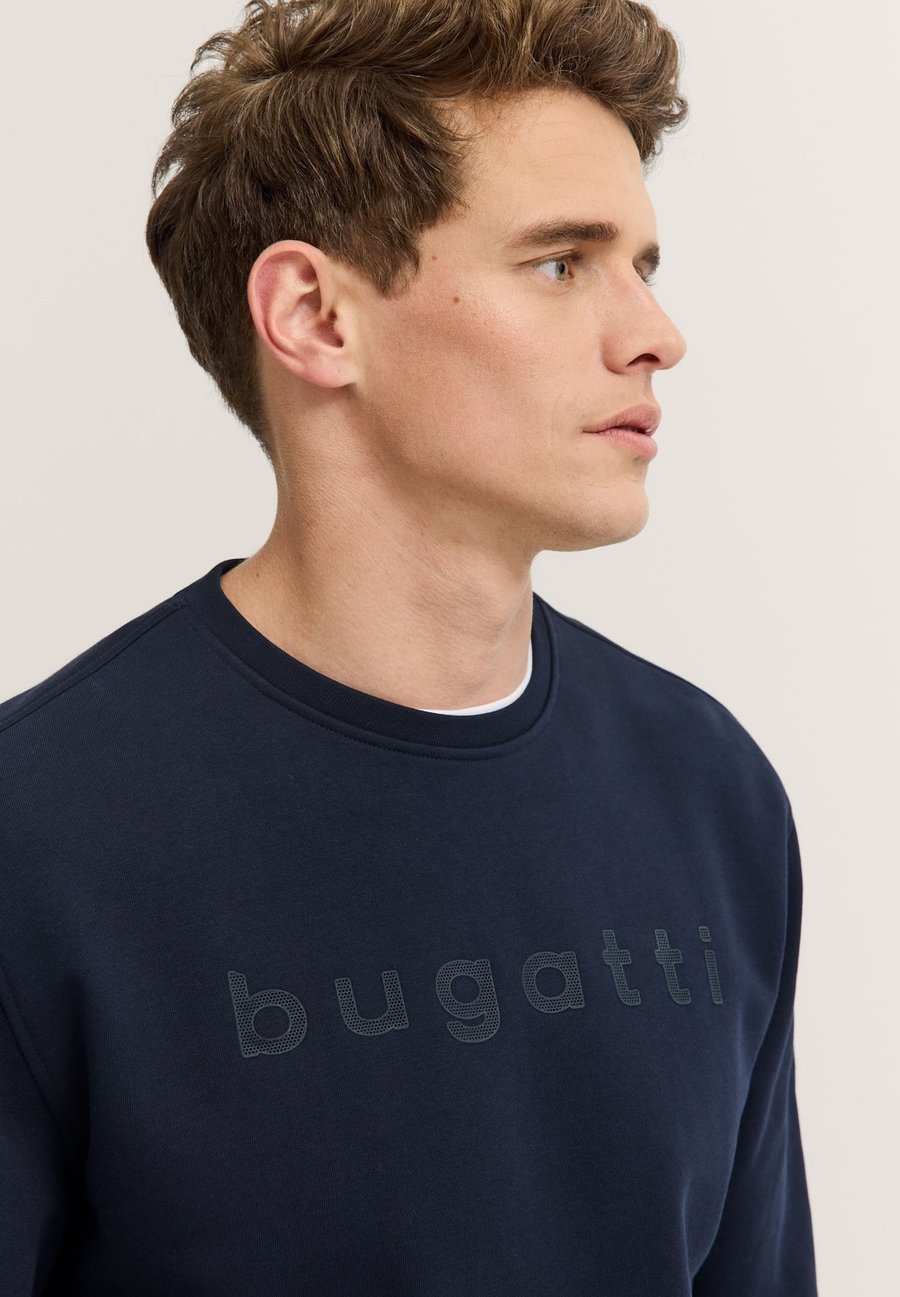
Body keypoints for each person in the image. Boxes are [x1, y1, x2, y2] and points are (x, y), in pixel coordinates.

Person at [0, 1, 818, 1292]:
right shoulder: (39, 835)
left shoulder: (711, 794)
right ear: (316, 316)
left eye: (645, 265)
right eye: (563, 263)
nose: (656, 334)